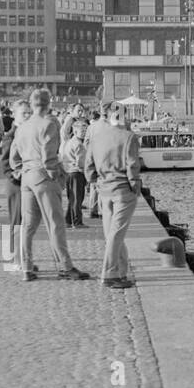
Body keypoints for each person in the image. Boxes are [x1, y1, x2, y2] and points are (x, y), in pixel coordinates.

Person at [11, 88, 88, 282]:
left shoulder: (23, 126)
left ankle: (26, 267)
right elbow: (48, 156)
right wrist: (57, 177)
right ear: (49, 103)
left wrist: (22, 171)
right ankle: (65, 266)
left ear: (32, 104)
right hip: (44, 176)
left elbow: (14, 157)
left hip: (27, 176)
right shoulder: (48, 124)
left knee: (28, 225)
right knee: (55, 224)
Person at [85, 100, 142, 290]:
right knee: (116, 234)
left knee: (112, 233)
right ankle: (109, 274)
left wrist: (96, 182)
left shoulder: (97, 137)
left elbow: (88, 166)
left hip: (104, 190)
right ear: (122, 116)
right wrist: (135, 186)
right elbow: (132, 166)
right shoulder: (128, 137)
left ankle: (121, 271)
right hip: (123, 190)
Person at [1, 99, 33, 271]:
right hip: (16, 185)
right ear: (14, 114)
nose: (27, 115)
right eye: (24, 113)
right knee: (17, 222)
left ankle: (26, 259)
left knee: (28, 223)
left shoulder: (30, 132)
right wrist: (19, 177)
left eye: (29, 112)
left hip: (29, 185)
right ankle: (16, 260)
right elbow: (5, 165)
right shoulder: (10, 136)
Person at [61, 118, 89, 228]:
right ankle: (77, 222)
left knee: (72, 198)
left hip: (69, 172)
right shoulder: (79, 145)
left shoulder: (69, 142)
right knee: (77, 199)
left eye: (85, 130)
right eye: (83, 131)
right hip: (77, 173)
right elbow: (81, 163)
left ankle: (68, 220)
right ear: (76, 131)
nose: (85, 133)